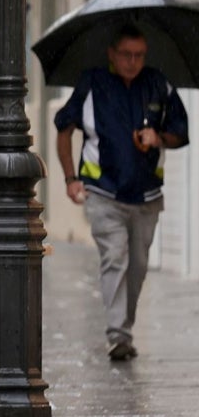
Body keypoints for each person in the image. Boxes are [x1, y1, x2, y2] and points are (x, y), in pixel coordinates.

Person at [54, 23, 189, 361]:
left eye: (139, 55)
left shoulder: (158, 84)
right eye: (126, 54)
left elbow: (180, 133)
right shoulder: (92, 83)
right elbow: (64, 129)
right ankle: (118, 334)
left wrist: (157, 138)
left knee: (139, 265)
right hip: (104, 193)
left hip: (147, 197)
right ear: (112, 53)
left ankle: (122, 326)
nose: (133, 61)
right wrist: (71, 178)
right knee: (115, 258)